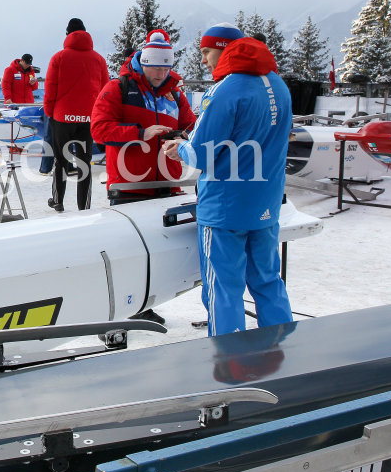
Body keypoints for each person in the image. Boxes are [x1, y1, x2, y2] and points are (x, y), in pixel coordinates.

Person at [163, 24, 293, 337]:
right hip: (266, 205)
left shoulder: (225, 90)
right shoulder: (278, 85)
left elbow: (202, 154)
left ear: (225, 48)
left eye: (207, 51)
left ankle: (229, 366)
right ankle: (286, 355)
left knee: (223, 290)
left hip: (224, 208)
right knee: (268, 282)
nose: (205, 60)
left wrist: (178, 148)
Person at [91, 30, 196, 205]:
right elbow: (99, 130)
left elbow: (193, 127)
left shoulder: (174, 94)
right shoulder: (117, 88)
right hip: (128, 189)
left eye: (166, 69)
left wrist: (183, 138)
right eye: (157, 68)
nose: (162, 75)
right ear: (144, 63)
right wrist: (140, 134)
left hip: (169, 186)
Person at [42, 18, 109, 212]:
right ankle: (84, 205)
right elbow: (105, 90)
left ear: (67, 35)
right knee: (84, 163)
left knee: (61, 160)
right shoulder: (98, 59)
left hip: (62, 118)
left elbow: (50, 88)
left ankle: (58, 200)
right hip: (88, 118)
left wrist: (49, 112)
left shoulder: (59, 57)